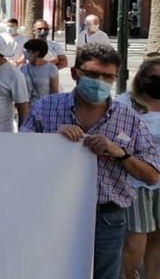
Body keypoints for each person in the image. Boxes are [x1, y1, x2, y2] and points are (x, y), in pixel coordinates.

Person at [22, 44, 160, 279]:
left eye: (108, 76)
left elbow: (152, 175)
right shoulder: (45, 109)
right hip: (53, 211)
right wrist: (51, 141)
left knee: (105, 274)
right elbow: (18, 157)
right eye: (93, 74)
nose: (100, 81)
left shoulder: (128, 118)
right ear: (76, 73)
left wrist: (120, 153)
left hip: (107, 216)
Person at [121, 58, 160, 279]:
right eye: (156, 79)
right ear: (142, 79)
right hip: (136, 180)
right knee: (136, 242)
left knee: (158, 240)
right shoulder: (125, 103)